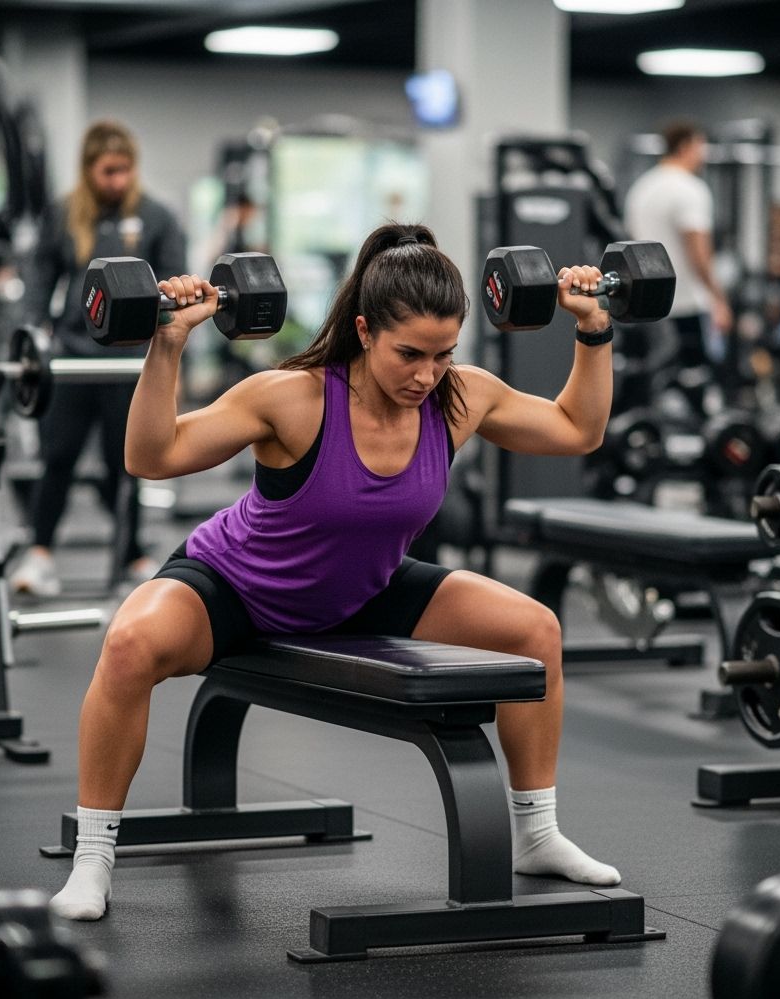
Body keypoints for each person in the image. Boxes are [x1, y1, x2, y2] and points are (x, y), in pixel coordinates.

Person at [48, 222, 620, 922]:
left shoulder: (458, 398)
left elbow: (577, 431)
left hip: (364, 588)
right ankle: (94, 858)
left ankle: (537, 834)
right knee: (131, 643)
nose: (425, 375)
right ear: (364, 330)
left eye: (442, 355)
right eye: (409, 354)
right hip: (236, 590)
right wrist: (166, 342)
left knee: (535, 630)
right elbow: (151, 457)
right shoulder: (294, 398)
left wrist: (593, 332)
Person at [11, 120, 186, 597]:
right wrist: (34, 337)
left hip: (128, 366)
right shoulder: (65, 214)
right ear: (89, 169)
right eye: (109, 171)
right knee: (59, 457)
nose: (118, 181)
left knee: (122, 465)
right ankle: (41, 555)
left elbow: (176, 289)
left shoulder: (157, 218)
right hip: (72, 360)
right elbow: (40, 281)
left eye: (125, 170)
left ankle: (132, 557)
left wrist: (171, 363)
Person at [623, 119, 733, 408]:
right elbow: (699, 252)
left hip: (645, 306)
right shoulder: (690, 189)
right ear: (685, 147)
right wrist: (718, 298)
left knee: (651, 384)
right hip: (684, 306)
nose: (704, 154)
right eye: (701, 147)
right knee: (695, 388)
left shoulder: (641, 188)